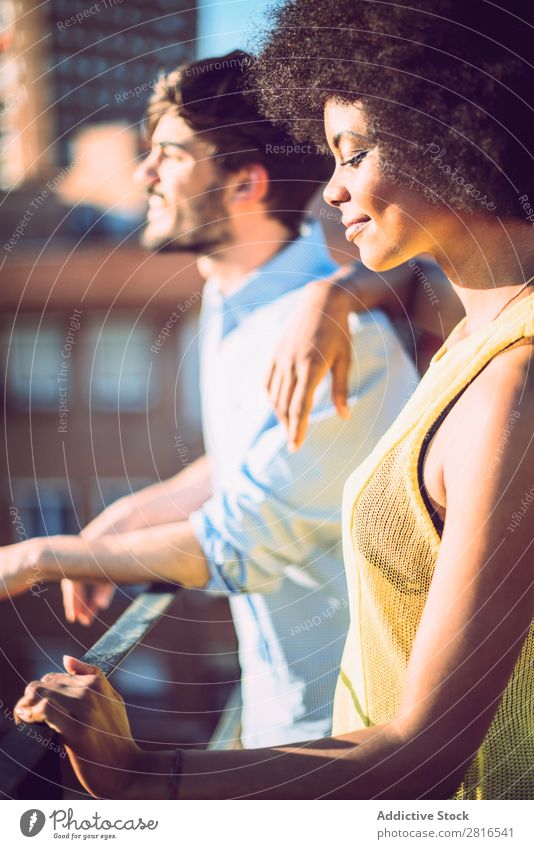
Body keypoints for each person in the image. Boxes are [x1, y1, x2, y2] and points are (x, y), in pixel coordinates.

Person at [12, 0, 533, 799]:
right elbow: (253, 456)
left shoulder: (507, 384)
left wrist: (139, 772)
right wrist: (124, 517)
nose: (331, 189)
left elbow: (426, 755)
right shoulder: (460, 336)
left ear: (447, 129)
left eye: (354, 153)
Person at [1, 52, 419, 750]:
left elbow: (239, 541)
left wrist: (42, 556)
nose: (144, 175)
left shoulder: (334, 339)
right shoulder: (229, 305)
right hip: (282, 710)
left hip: (355, 739)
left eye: (168, 154)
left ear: (245, 182)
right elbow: (250, 464)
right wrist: (137, 510)